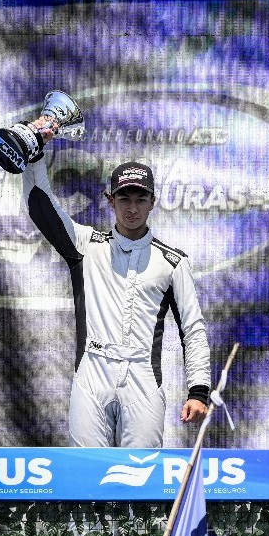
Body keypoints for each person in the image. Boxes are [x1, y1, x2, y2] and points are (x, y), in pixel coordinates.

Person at [20, 125, 211, 447]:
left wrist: (198, 390)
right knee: (87, 470)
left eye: (140, 199)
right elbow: (42, 208)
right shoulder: (85, 244)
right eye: (124, 198)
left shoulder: (173, 262)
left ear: (153, 202)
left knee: (142, 471)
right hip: (91, 374)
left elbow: (193, 329)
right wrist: (35, 155)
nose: (132, 208)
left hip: (143, 379)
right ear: (111, 200)